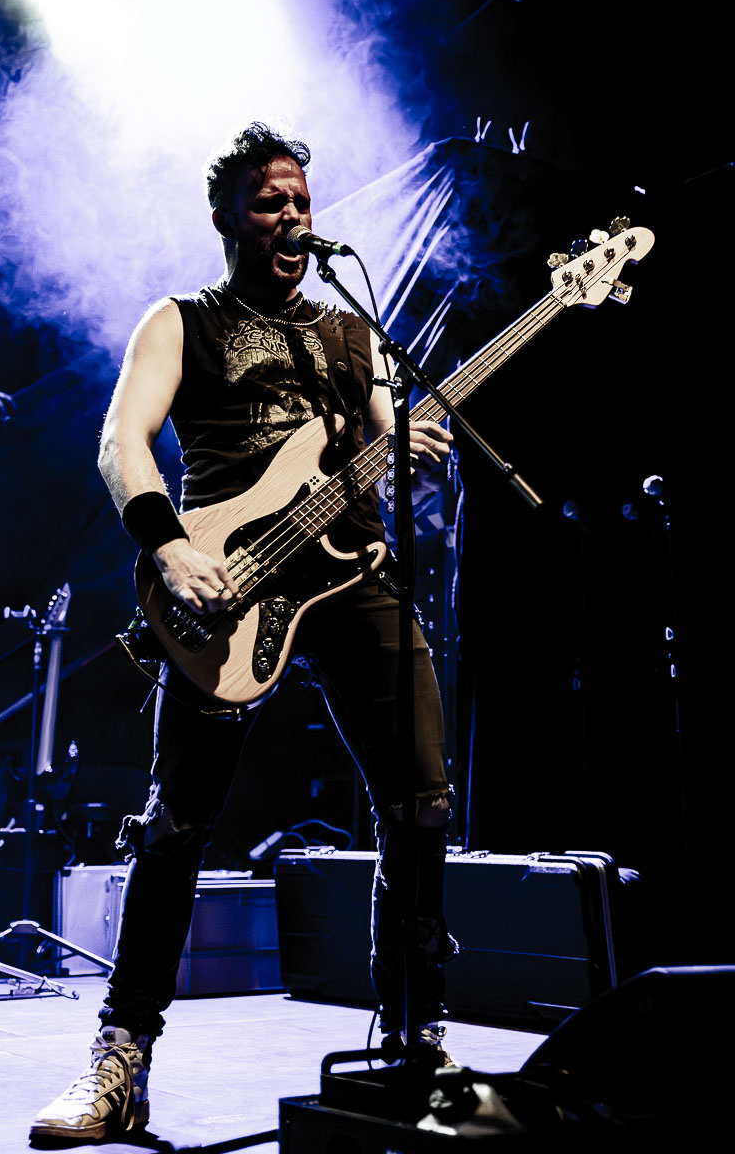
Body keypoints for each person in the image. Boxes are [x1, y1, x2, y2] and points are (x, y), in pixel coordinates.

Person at [31, 122, 455, 1142]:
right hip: (223, 583)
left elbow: (383, 444)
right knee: (177, 825)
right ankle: (121, 1062)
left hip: (352, 574)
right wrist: (170, 548)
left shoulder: (353, 333)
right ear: (226, 217)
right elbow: (122, 441)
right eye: (272, 202)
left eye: (302, 201)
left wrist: (404, 446)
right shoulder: (180, 321)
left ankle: (413, 1041)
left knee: (421, 804)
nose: (293, 217)